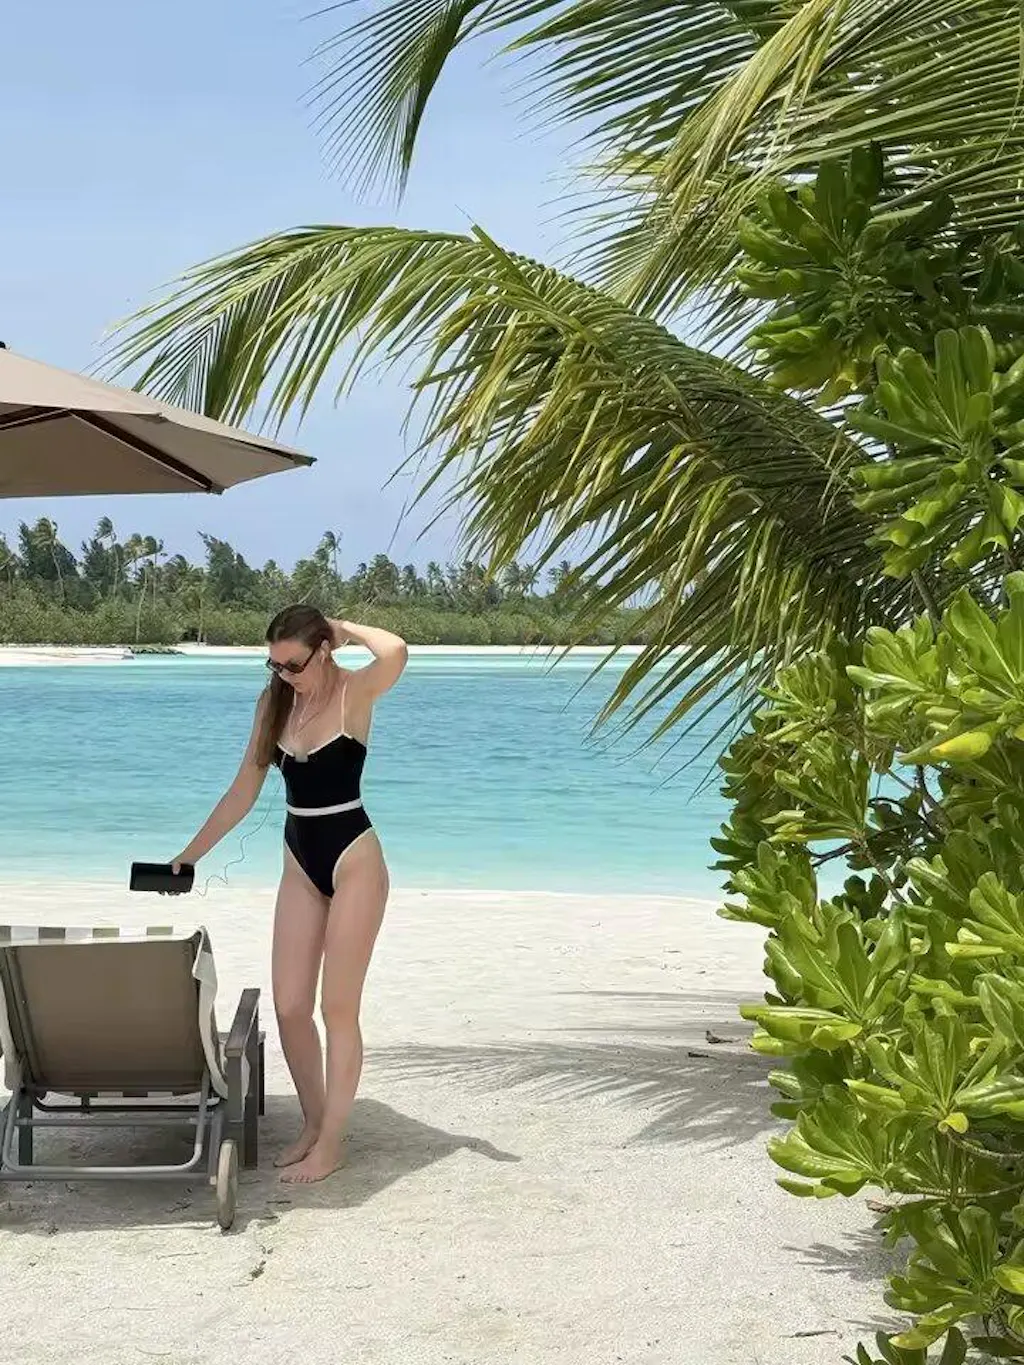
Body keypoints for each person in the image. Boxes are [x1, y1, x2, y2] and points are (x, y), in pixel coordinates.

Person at [171, 605, 408, 1183]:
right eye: (274, 665)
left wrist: (344, 627)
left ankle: (332, 1142)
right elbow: (242, 792)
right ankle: (312, 1122)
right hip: (300, 858)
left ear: (323, 651)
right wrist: (189, 856)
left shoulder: (354, 692)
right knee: (291, 1007)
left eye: (294, 665)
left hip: (355, 858)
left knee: (337, 1008)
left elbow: (396, 650)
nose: (284, 675)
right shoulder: (273, 703)